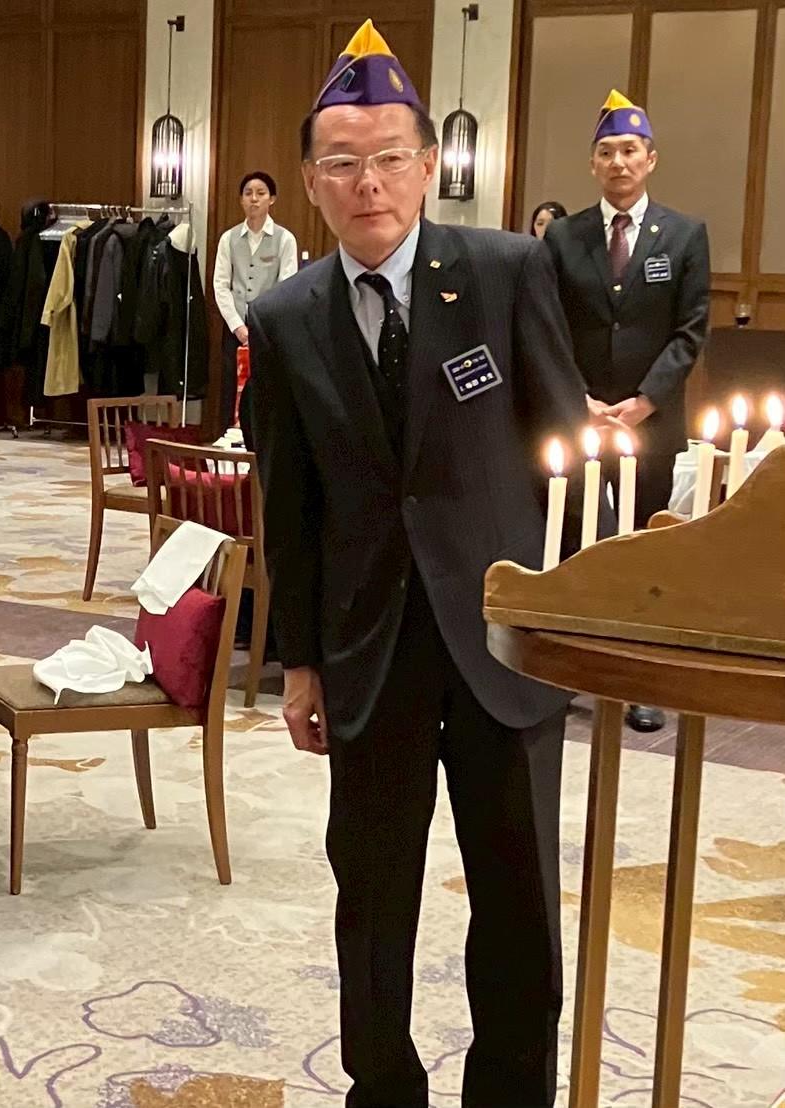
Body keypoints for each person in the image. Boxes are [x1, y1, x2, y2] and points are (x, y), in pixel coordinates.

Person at [248, 21, 597, 1107]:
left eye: (389, 156)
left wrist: (573, 614)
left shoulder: (505, 271)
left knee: (517, 897)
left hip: (504, 642)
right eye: (342, 162)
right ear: (311, 180)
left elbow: (565, 451)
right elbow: (288, 507)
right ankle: (382, 1087)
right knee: (371, 896)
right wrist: (299, 663)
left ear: (428, 163)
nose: (369, 182)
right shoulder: (284, 316)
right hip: (369, 648)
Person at [542, 90, 709, 735]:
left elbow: (690, 331)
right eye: (606, 152)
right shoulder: (564, 237)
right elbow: (547, 325)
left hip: (652, 424)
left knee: (642, 545)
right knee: (575, 541)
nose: (618, 162)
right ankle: (572, 667)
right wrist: (578, 400)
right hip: (579, 420)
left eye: (629, 150)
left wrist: (644, 402)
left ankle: (638, 677)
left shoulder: (685, 235)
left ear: (650, 159)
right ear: (592, 163)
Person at [212, 170, 298, 442]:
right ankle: (228, 443)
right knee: (231, 388)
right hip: (235, 328)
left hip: (268, 330)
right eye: (248, 193)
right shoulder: (228, 239)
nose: (254, 199)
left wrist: (263, 326)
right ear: (241, 200)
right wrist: (238, 327)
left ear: (272, 199)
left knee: (265, 387)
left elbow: (287, 286)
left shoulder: (285, 239)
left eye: (261, 193)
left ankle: (263, 445)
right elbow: (221, 285)